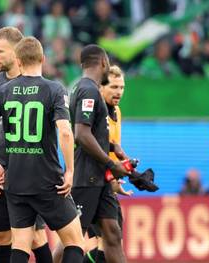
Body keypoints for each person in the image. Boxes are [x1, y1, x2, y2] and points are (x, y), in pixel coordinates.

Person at [0, 36, 85, 263]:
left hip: (15, 181)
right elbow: (65, 132)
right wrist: (70, 171)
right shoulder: (54, 89)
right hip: (47, 179)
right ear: (43, 58)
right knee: (75, 243)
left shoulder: (4, 90)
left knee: (20, 246)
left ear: (17, 59)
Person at [53, 45, 130, 263]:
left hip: (99, 177)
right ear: (103, 63)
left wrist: (112, 147)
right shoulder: (88, 90)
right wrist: (111, 162)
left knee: (112, 234)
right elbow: (81, 134)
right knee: (72, 239)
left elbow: (91, 133)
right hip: (86, 177)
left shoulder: (82, 88)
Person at [0, 26, 52, 263]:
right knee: (0, 235)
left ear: (17, 52)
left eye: (0, 51)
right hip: (0, 172)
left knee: (36, 236)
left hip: (31, 172)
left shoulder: (41, 86)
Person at [84, 65, 133, 263]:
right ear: (101, 87)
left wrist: (116, 176)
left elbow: (109, 148)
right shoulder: (95, 112)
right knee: (107, 240)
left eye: (121, 87)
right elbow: (88, 145)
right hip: (90, 182)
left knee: (106, 241)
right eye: (113, 87)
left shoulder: (116, 112)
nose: (119, 92)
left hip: (104, 183)